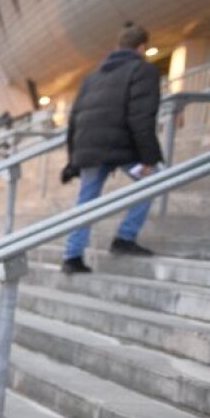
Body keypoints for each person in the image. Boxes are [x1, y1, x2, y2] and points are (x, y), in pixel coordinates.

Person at [60, 22, 163, 273]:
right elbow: (142, 117)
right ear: (142, 47)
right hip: (123, 148)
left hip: (91, 148)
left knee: (86, 201)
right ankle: (125, 238)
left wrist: (73, 160)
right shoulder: (143, 70)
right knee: (155, 179)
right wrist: (149, 157)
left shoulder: (93, 77)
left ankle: (72, 256)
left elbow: (74, 119)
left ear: (118, 46)